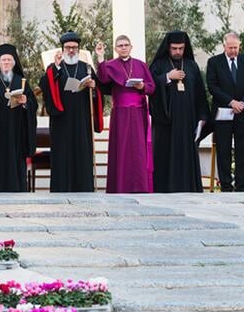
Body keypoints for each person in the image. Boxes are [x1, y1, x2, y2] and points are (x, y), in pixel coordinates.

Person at [39, 31, 103, 192]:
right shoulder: (54, 67)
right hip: (62, 120)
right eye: (68, 47)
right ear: (62, 49)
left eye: (74, 47)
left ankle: (84, 188)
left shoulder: (86, 68)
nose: (71, 50)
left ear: (79, 49)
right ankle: (61, 188)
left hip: (82, 119)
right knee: (62, 154)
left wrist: (94, 89)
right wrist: (57, 67)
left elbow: (98, 93)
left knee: (82, 152)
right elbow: (44, 85)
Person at [148, 30, 208, 193]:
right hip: (166, 123)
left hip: (187, 122)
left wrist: (202, 118)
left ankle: (189, 189)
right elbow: (150, 87)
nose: (178, 52)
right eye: (174, 48)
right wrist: (167, 77)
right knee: (165, 156)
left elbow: (200, 94)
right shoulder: (159, 65)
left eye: (181, 48)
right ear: (168, 47)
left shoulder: (191, 66)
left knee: (186, 157)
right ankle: (164, 190)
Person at [96, 35, 155, 193]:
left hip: (138, 113)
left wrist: (142, 86)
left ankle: (140, 186)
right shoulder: (110, 65)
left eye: (126, 45)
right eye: (120, 45)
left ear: (131, 47)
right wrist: (101, 58)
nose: (123, 47)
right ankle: (121, 186)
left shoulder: (141, 65)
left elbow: (152, 87)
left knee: (139, 151)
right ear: (115, 49)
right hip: (120, 115)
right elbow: (103, 79)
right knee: (121, 150)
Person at [0, 43, 36, 192]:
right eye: (3, 60)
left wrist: (26, 103)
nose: (6, 63)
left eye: (9, 60)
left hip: (16, 129)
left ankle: (16, 188)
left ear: (14, 62)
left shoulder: (20, 80)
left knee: (15, 159)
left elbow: (33, 103)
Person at [205, 32, 244, 192]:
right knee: (223, 150)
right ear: (224, 46)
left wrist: (243, 102)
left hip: (242, 112)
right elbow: (212, 86)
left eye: (236, 47)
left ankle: (242, 185)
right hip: (223, 113)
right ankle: (226, 186)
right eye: (230, 47)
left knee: (243, 150)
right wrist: (231, 102)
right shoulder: (214, 62)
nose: (233, 50)